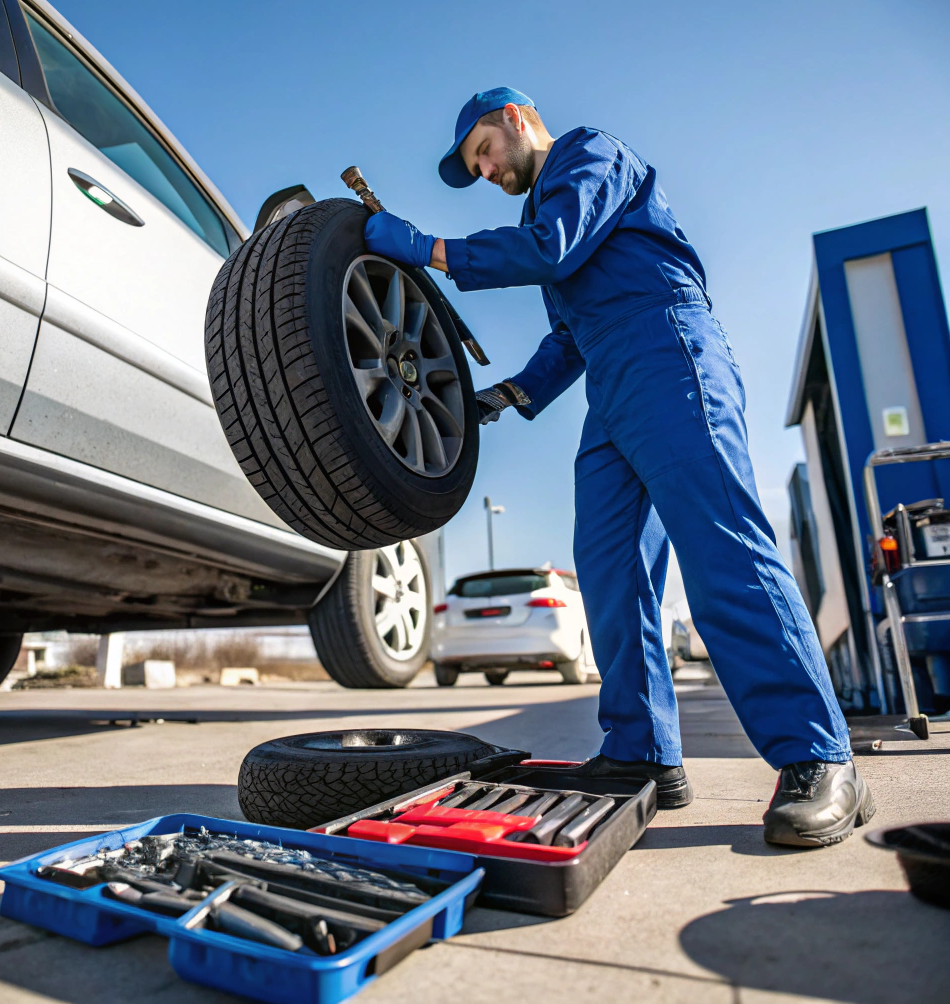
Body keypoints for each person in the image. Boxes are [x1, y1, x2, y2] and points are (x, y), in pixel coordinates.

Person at [363, 87, 875, 848]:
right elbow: (568, 339)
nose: (489, 173)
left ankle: (819, 756)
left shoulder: (587, 155)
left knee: (721, 547)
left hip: (668, 353)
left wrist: (428, 248)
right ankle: (641, 755)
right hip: (609, 384)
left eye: (484, 154)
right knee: (606, 569)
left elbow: (550, 252)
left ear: (514, 119)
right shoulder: (542, 217)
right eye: (477, 169)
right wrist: (504, 395)